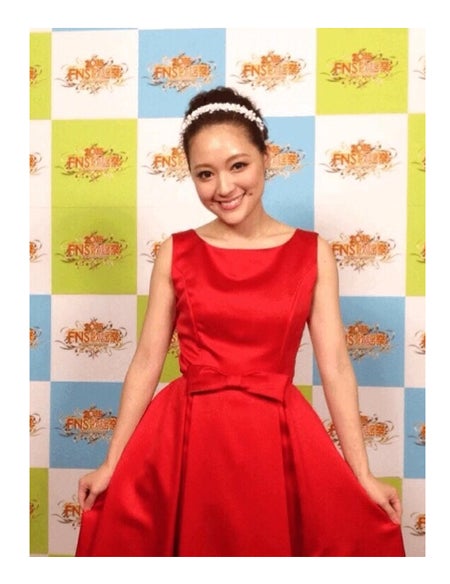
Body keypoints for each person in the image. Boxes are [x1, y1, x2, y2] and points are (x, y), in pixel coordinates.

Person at [75, 86, 406, 557]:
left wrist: (362, 474)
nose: (224, 188)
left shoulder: (312, 253)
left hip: (276, 436)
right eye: (205, 174)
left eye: (238, 165)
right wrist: (112, 463)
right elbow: (147, 361)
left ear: (265, 158)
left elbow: (334, 366)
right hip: (186, 436)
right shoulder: (175, 251)